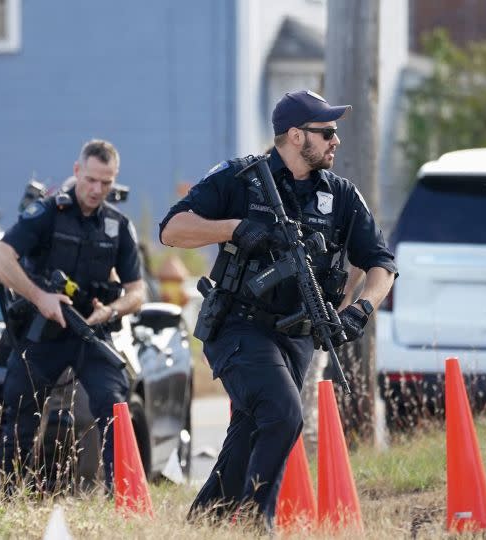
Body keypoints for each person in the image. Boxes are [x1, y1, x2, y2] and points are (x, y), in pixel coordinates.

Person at [159, 90, 397, 527]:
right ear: (294, 135)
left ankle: (202, 526)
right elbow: (172, 230)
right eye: (326, 132)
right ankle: (256, 523)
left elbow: (381, 263)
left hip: (299, 337)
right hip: (238, 326)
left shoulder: (340, 195)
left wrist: (360, 309)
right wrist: (235, 228)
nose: (335, 141)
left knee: (253, 433)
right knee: (285, 415)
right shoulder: (238, 178)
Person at [0, 139, 145, 488]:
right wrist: (40, 297)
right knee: (20, 413)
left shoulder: (118, 226)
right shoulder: (46, 214)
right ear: (77, 172)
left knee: (114, 402)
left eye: (106, 182)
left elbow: (138, 292)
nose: (96, 189)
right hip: (43, 330)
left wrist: (112, 310)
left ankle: (123, 497)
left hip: (90, 330)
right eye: (91, 180)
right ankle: (10, 495)